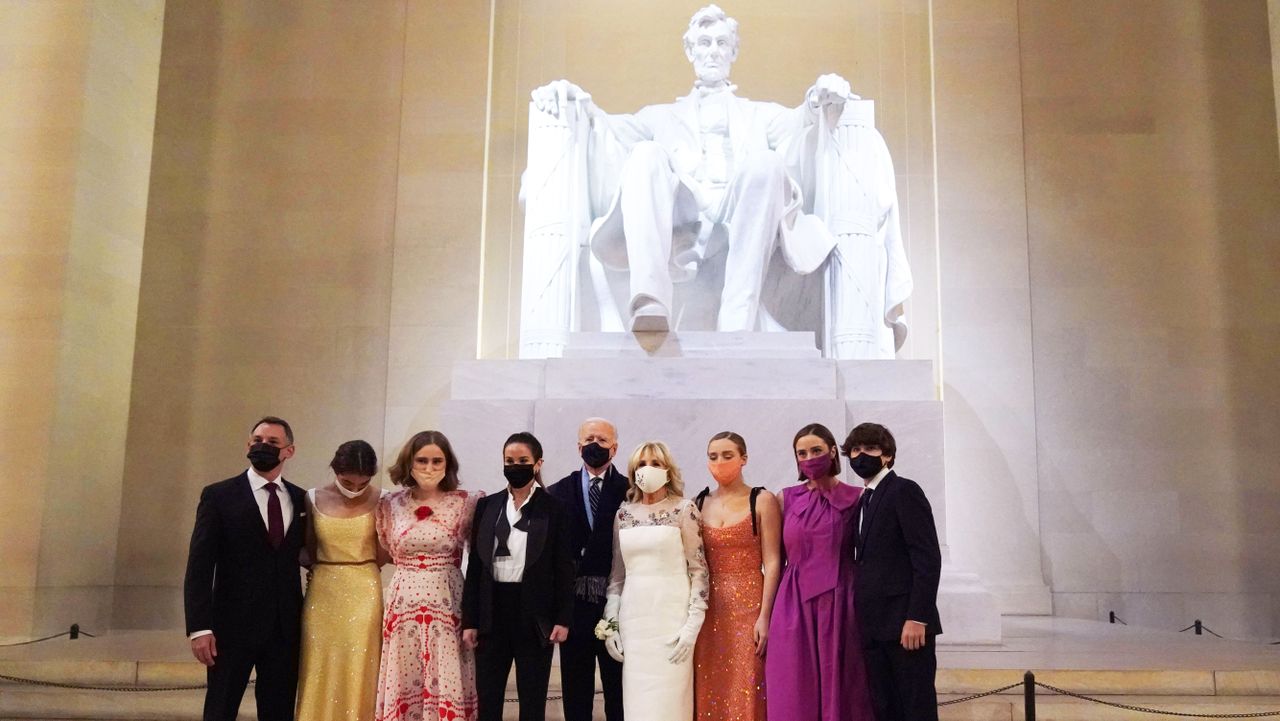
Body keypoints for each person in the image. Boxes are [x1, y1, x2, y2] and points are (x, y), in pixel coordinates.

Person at [528, 4, 856, 333]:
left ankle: (737, 317)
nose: (713, 51)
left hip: (740, 217)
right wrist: (574, 101)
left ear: (734, 51)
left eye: (721, 43)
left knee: (766, 163)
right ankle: (650, 301)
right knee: (644, 154)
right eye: (704, 43)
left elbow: (801, 122)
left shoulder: (760, 115)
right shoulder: (658, 117)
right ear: (689, 50)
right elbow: (606, 128)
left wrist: (820, 96)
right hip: (683, 216)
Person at [184, 416, 307, 721]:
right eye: (257, 441)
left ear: (289, 451)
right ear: (248, 445)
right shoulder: (218, 496)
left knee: (279, 712)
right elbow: (199, 566)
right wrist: (199, 628)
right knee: (220, 710)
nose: (263, 447)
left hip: (283, 629)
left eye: (272, 443)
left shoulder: (300, 498)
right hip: (231, 627)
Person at [462, 432, 575, 721]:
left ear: (538, 463)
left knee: (532, 698)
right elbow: (476, 565)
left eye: (522, 460)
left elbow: (564, 566)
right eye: (509, 461)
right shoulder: (488, 506)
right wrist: (470, 621)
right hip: (492, 612)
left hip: (534, 613)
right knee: (488, 696)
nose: (515, 466)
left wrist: (562, 618)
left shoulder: (554, 508)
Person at [764, 423, 873, 721]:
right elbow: (772, 559)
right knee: (793, 684)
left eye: (816, 450)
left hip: (841, 599)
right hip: (793, 602)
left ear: (833, 452)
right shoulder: (784, 498)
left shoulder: (857, 497)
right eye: (802, 453)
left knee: (844, 683)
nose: (809, 457)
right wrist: (764, 614)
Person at [375, 431, 480, 721]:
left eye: (437, 460)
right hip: (403, 601)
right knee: (405, 674)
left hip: (447, 601)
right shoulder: (389, 504)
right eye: (422, 460)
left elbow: (480, 560)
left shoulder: (466, 503)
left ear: (448, 464)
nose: (429, 468)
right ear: (409, 462)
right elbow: (386, 548)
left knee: (445, 672)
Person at [601, 441, 709, 721]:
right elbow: (617, 576)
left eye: (655, 464)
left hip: (672, 620)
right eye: (641, 464)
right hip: (634, 622)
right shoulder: (623, 515)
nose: (647, 470)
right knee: (638, 704)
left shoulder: (684, 510)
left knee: (670, 703)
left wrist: (693, 625)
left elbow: (699, 569)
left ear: (668, 470)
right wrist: (611, 622)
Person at [843, 423, 942, 721]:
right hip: (874, 626)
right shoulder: (864, 499)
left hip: (905, 625)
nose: (861, 456)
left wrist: (917, 617)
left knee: (915, 708)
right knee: (885, 707)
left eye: (870, 449)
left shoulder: (904, 490)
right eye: (856, 450)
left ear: (886, 455)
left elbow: (926, 558)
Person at [693, 432, 781, 721]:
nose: (719, 461)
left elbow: (773, 560)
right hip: (709, 608)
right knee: (709, 684)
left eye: (727, 455)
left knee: (747, 683)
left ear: (743, 459)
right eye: (713, 456)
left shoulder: (762, 499)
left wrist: (765, 616)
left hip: (750, 605)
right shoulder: (699, 501)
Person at [546, 418, 629, 721]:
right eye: (589, 438)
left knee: (618, 688)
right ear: (579, 446)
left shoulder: (630, 491)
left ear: (615, 448)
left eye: (603, 440)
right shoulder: (557, 492)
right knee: (575, 689)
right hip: (574, 605)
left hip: (617, 602)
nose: (595, 445)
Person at [296, 440, 383, 721]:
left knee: (361, 664)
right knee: (318, 664)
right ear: (334, 469)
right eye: (348, 482)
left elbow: (385, 550)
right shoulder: (312, 498)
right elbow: (307, 549)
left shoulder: (384, 498)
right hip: (323, 588)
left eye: (362, 484)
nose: (355, 489)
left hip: (364, 587)